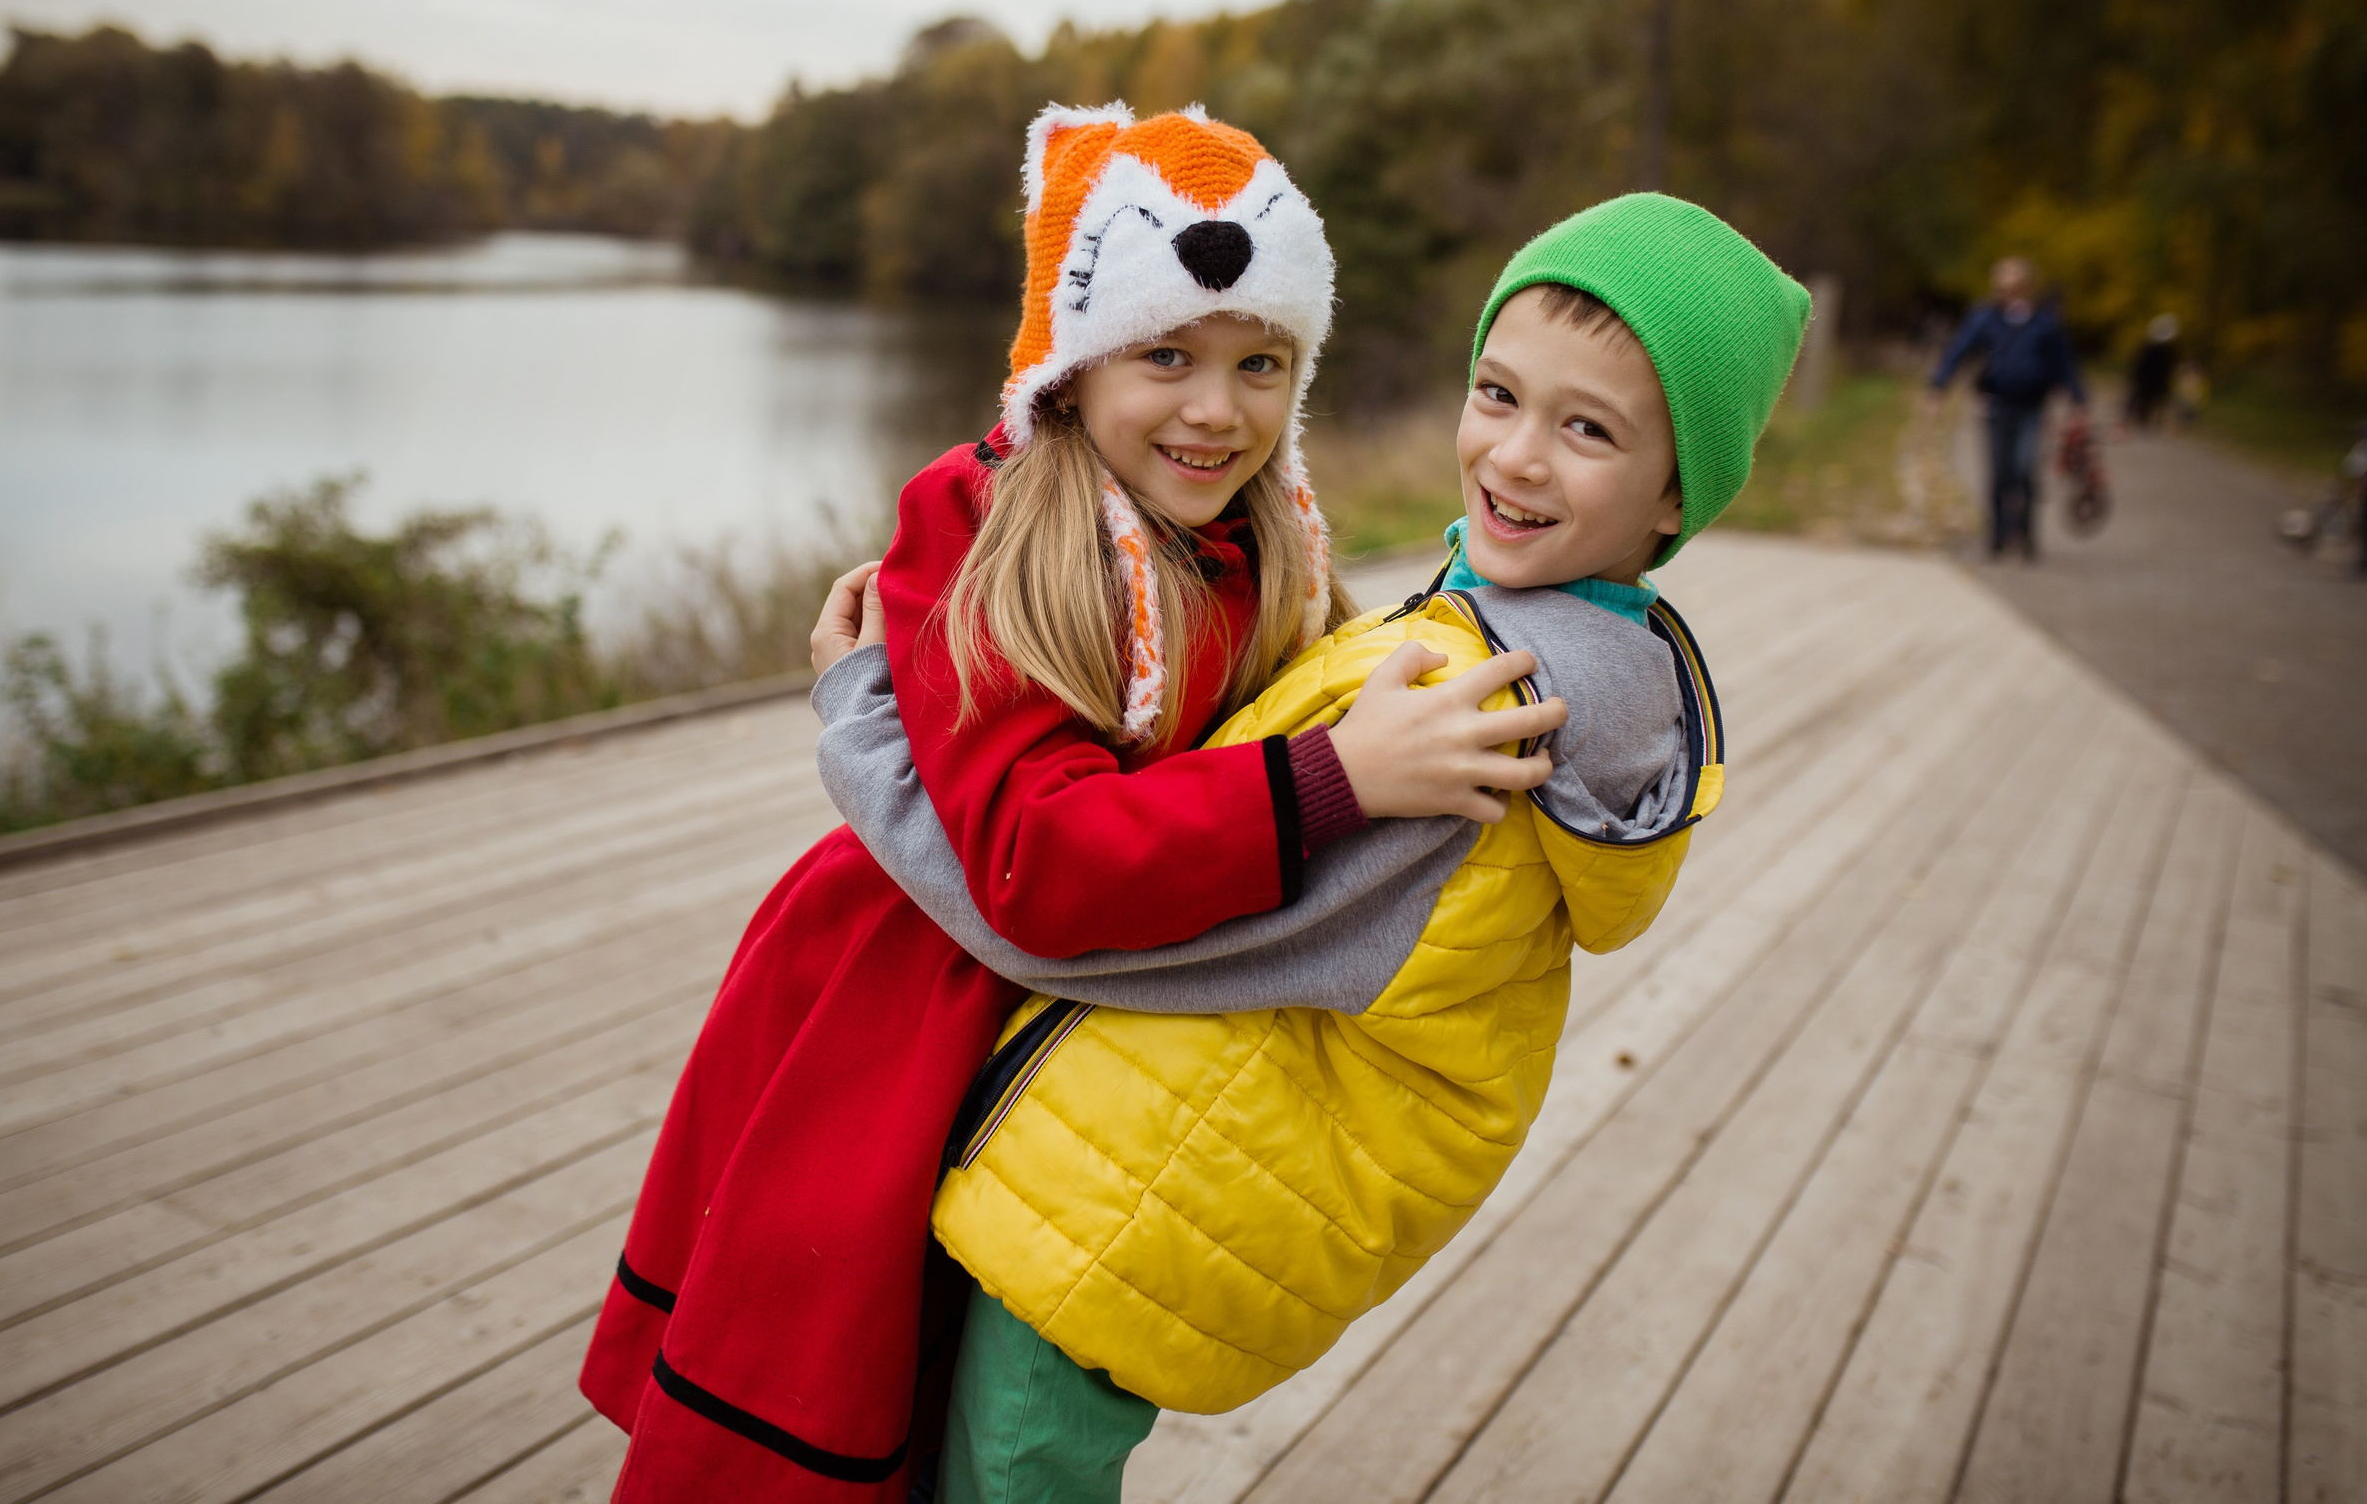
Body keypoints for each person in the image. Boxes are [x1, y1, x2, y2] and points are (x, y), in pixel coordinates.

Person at [576, 105, 1564, 1503]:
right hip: (898, 1003)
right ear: (1075, 356)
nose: (1215, 409)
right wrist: (1337, 778)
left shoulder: (1263, 542)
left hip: (1072, 1026)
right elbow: (1032, 859)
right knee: (831, 1394)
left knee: (978, 1413)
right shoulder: (988, 527)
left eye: (1260, 363)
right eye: (1167, 354)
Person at [817, 194, 1808, 1501]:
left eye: (1588, 430)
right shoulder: (1562, 646)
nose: (1514, 457)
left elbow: (1052, 923)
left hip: (1119, 1219)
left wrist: (863, 716)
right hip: (1163, 1183)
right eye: (1498, 394)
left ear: (1680, 490)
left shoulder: (1480, 711)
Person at [1926, 256, 2086, 559]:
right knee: (2000, 472)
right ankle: (1998, 535)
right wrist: (1938, 387)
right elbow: (1958, 350)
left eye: (2012, 282)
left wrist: (2078, 400)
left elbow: (2064, 363)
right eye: (2001, 282)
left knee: (2025, 468)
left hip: (2032, 406)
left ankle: (2025, 534)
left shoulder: (2044, 322)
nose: (2005, 288)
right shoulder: (1985, 318)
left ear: (2026, 285)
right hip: (1996, 404)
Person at [2126, 313, 2182, 427]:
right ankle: (2133, 415)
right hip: (2148, 378)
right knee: (2140, 397)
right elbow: (2141, 363)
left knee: (2149, 398)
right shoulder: (2152, 347)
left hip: (2155, 378)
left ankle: (2144, 417)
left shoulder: (2164, 349)